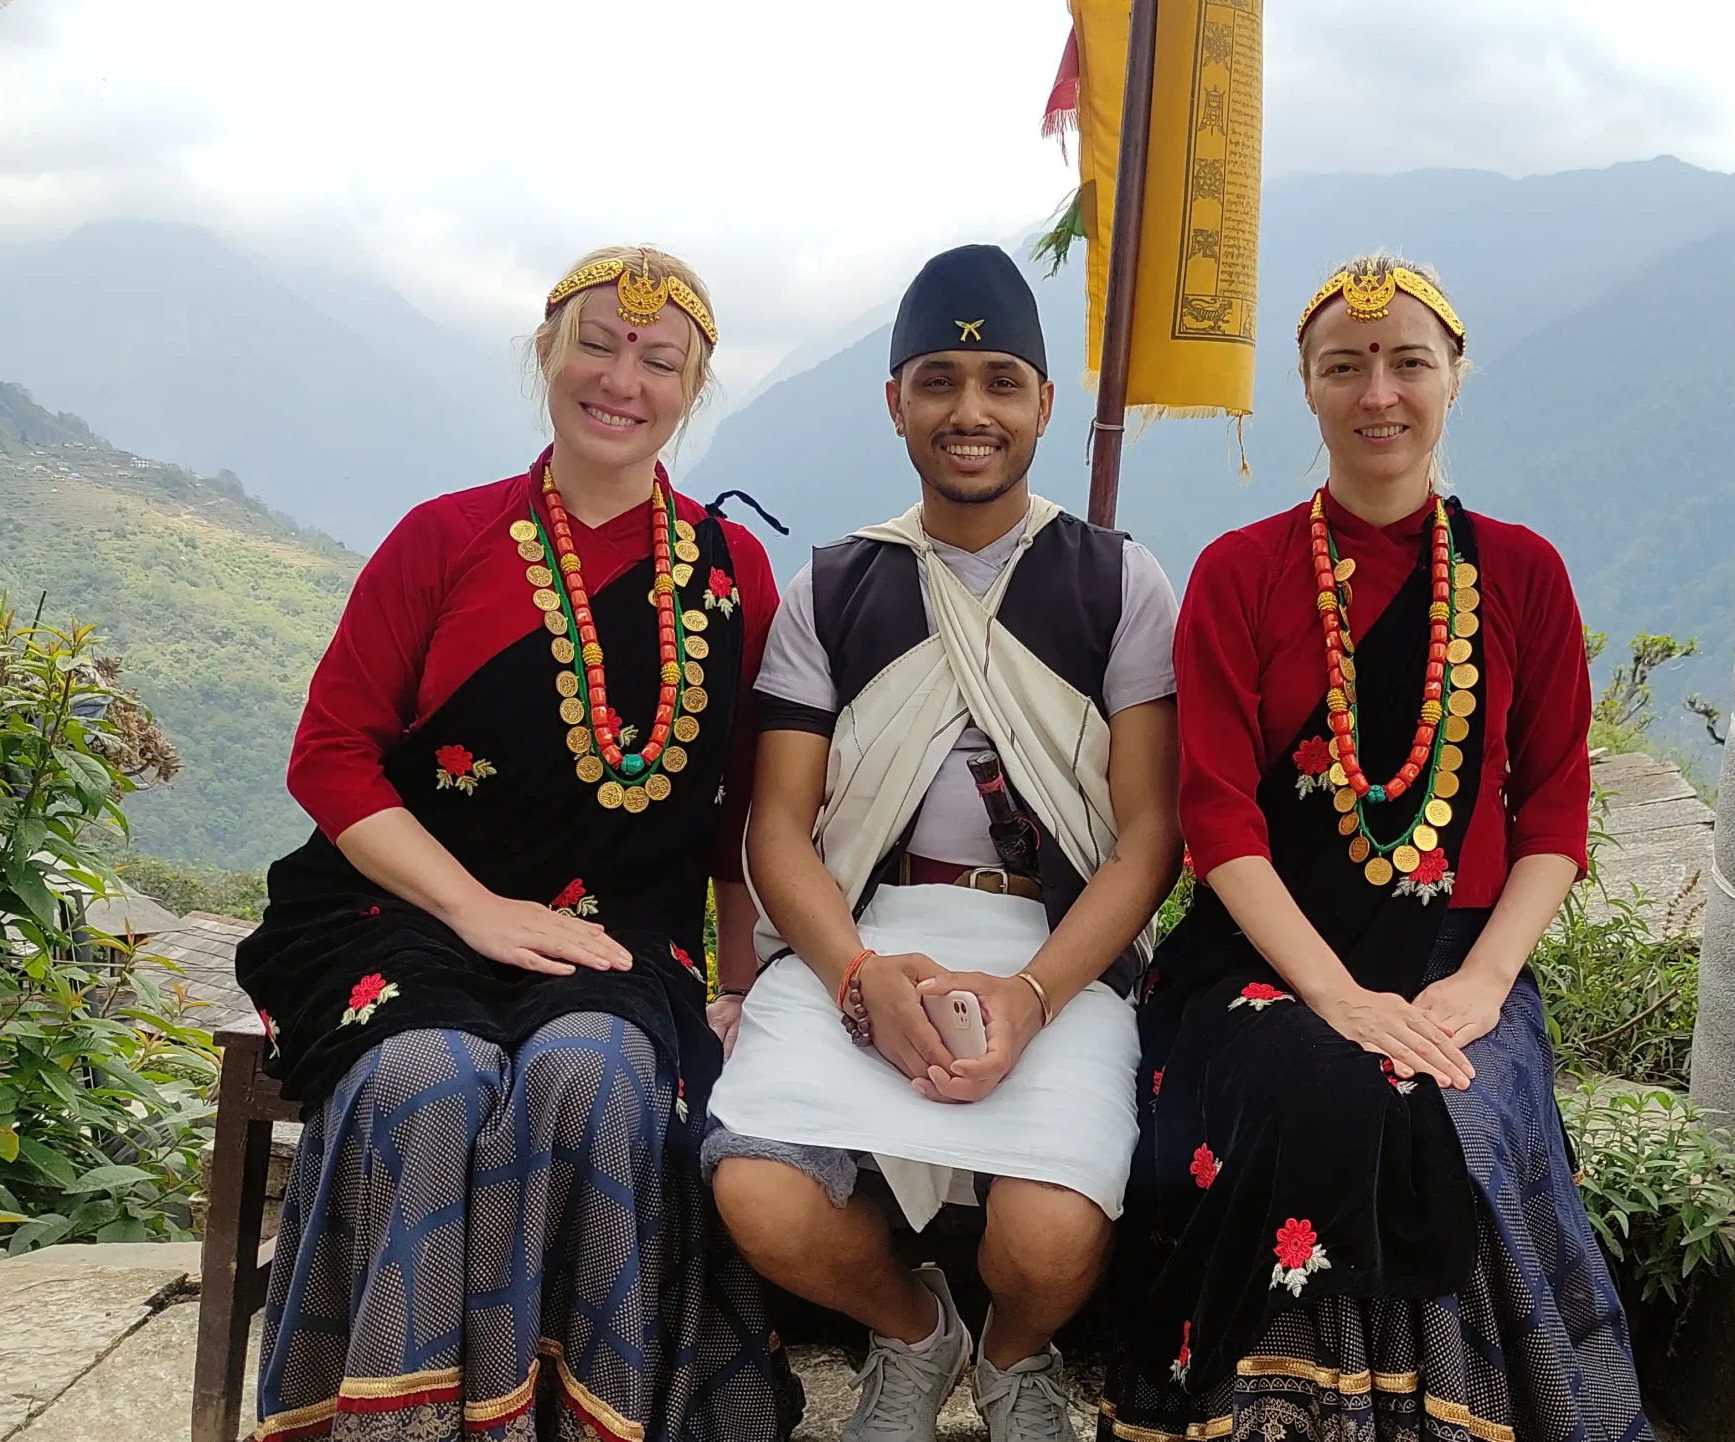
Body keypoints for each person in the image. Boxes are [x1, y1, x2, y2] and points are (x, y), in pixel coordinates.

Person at [234, 246, 797, 1442]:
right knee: (423, 1078)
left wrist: (742, 980)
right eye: (596, 342)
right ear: (544, 352)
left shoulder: (732, 571)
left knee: (584, 1079)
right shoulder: (444, 539)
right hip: (395, 916)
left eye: (659, 360)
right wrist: (475, 908)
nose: (621, 378)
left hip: (617, 941)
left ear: (694, 389)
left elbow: (744, 810)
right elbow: (329, 754)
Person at [1099, 255, 1648, 1442]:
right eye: (1344, 367)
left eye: (1408, 362)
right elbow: (1218, 818)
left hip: (1460, 957)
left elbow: (1554, 808)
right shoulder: (1239, 573)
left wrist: (1482, 984)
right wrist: (1339, 995)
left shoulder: (1521, 572)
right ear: (1306, 386)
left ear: (1456, 377)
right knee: (1318, 1082)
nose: (1378, 393)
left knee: (1448, 1108)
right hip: (1263, 958)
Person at [702, 243, 1183, 1442]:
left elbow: (1145, 835)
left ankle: (1017, 1351)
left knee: (1054, 1227)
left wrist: (1029, 994)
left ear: (1043, 403)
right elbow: (779, 821)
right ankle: (917, 1333)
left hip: (1052, 942)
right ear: (895, 401)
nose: (969, 411)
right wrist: (857, 977)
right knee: (757, 1189)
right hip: (864, 933)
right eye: (938, 379)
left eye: (1000, 380)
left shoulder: (1115, 583)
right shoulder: (835, 586)